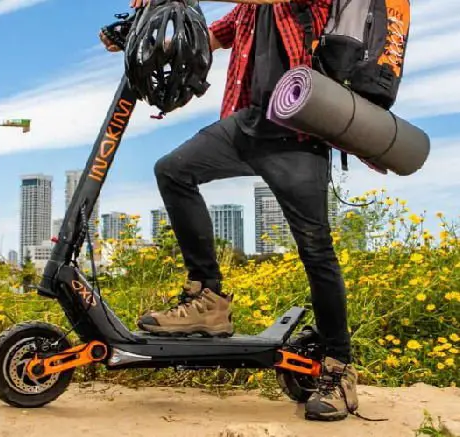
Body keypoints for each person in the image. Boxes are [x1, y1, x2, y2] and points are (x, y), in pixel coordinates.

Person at [100, 0, 358, 422]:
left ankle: (338, 367)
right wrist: (138, 35)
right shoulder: (245, 12)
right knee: (173, 170)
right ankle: (208, 299)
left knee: (316, 249)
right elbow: (206, 38)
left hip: (298, 131)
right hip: (249, 123)